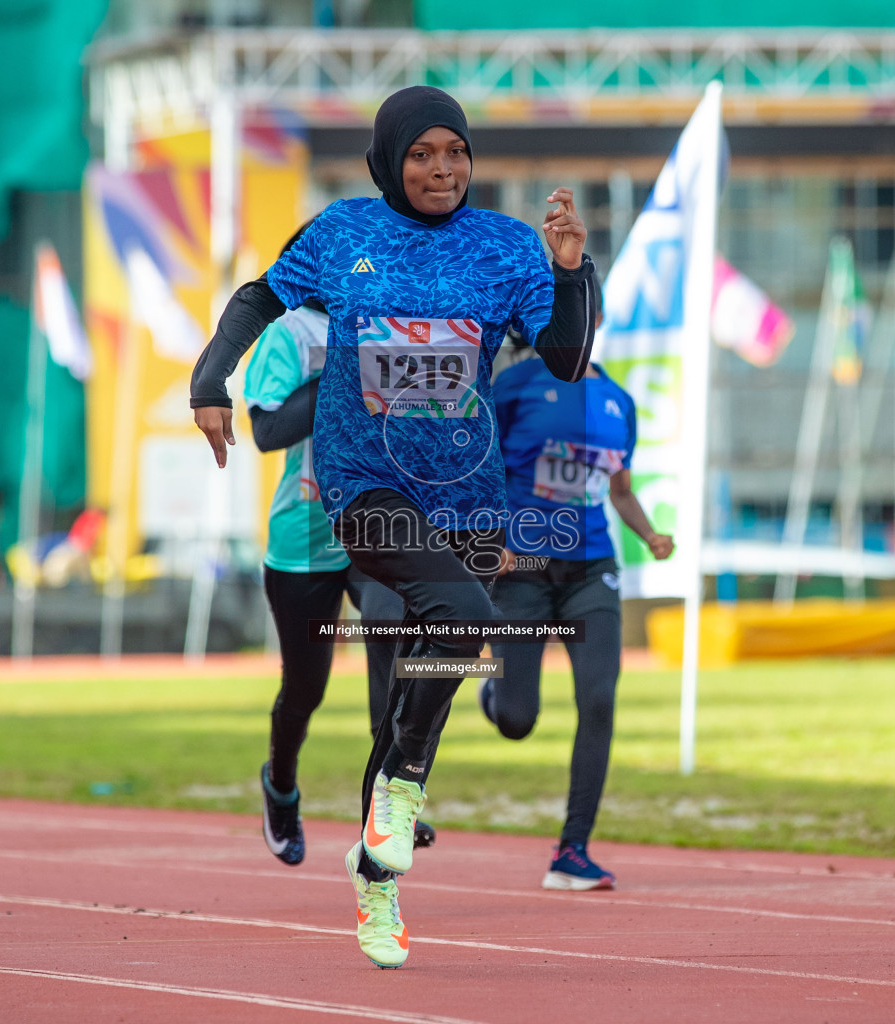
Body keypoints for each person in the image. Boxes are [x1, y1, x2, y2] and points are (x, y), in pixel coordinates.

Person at [191, 84, 596, 969]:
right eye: (421, 155)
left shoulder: (506, 246)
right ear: (389, 160)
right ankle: (403, 790)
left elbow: (567, 357)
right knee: (467, 625)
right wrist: (209, 380)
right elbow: (259, 298)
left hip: (470, 495)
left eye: (453, 152)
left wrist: (572, 271)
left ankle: (376, 877)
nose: (441, 169)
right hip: (365, 484)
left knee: (429, 672)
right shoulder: (343, 233)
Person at [242, 274, 434, 866]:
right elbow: (269, 430)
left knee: (391, 639)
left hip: (375, 524)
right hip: (304, 538)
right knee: (305, 687)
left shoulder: (395, 331)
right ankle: (279, 783)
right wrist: (348, 371)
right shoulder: (289, 335)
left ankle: (389, 803)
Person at [485, 328, 674, 891]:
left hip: (592, 569)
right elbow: (479, 468)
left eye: (584, 318)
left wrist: (650, 533)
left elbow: (619, 489)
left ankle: (573, 849)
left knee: (598, 698)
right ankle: (494, 694)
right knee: (518, 720)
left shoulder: (619, 402)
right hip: (521, 569)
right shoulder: (514, 385)